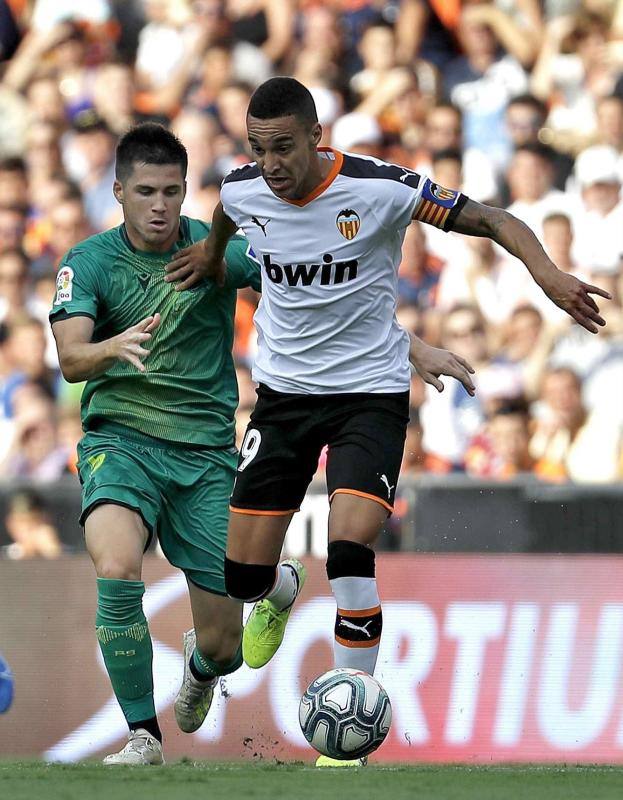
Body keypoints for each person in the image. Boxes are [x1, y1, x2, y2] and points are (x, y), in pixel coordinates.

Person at [165, 77, 609, 766]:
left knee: (350, 550)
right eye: (259, 148)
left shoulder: (381, 189)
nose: (271, 163)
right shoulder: (242, 189)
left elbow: (491, 218)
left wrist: (546, 276)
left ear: (316, 137)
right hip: (282, 399)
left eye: (284, 147)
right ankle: (279, 589)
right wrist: (208, 253)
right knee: (243, 579)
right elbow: (229, 216)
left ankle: (348, 736)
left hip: (367, 397)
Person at [49, 122, 262, 766]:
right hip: (123, 442)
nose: (161, 205)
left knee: (228, 647)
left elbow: (298, 287)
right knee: (116, 565)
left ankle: (199, 667)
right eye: (146, 191)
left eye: (172, 190)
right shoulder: (88, 263)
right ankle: (144, 735)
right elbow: (70, 358)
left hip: (205, 457)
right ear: (118, 191)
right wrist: (109, 349)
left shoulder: (217, 248)